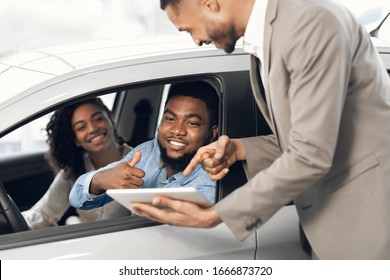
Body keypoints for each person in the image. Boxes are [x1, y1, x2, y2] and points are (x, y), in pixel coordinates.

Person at [131, 0, 390, 259]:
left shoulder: (310, 22)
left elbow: (311, 152)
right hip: (333, 227)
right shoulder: (266, 40)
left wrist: (217, 215)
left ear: (209, 3)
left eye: (189, 29)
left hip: (370, 222)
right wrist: (239, 149)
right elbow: (307, 138)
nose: (196, 40)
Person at [69, 80, 219, 209]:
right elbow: (78, 200)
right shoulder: (146, 153)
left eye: (192, 123)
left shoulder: (213, 180)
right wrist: (101, 179)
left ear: (212, 133)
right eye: (170, 118)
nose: (177, 131)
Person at [22, 98, 132, 229]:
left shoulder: (142, 162)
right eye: (81, 127)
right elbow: (44, 213)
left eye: (98, 119)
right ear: (76, 140)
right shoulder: (74, 171)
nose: (92, 129)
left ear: (111, 122)